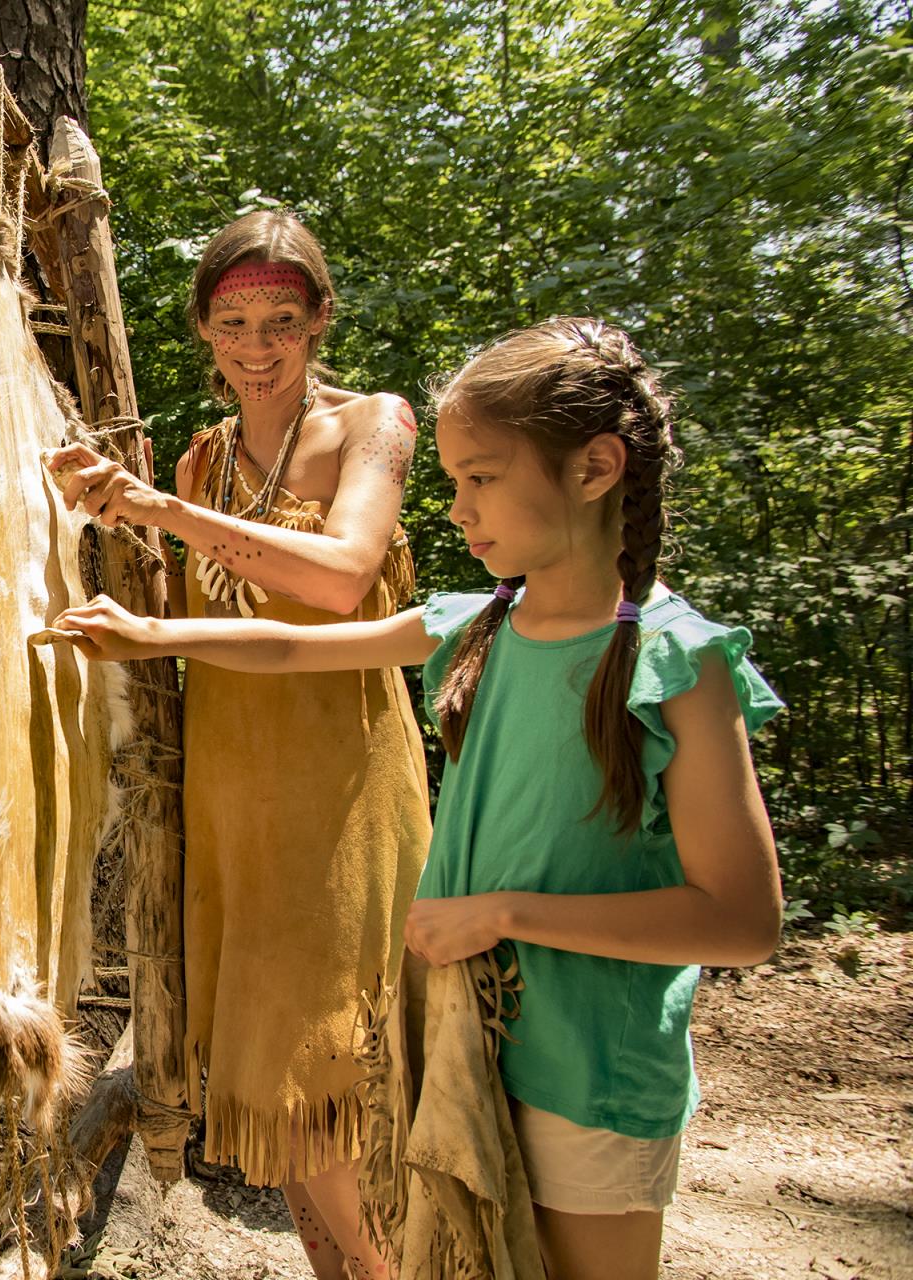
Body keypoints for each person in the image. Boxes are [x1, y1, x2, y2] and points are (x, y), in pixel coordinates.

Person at [50, 317, 784, 1280]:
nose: (453, 508)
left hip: (592, 1076)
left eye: (480, 478)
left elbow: (741, 922)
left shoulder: (672, 663)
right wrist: (149, 634)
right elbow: (286, 646)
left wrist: (506, 915)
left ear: (596, 469)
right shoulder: (478, 623)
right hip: (465, 1057)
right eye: (451, 481)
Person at [45, 210, 428, 1278]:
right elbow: (176, 606)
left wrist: (158, 509)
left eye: (281, 320)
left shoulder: (373, 427)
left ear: (318, 323)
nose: (256, 346)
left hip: (340, 789)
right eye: (232, 321)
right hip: (229, 799)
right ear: (205, 330)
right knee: (275, 1100)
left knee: (334, 1085)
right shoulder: (201, 460)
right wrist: (104, 517)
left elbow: (343, 576)